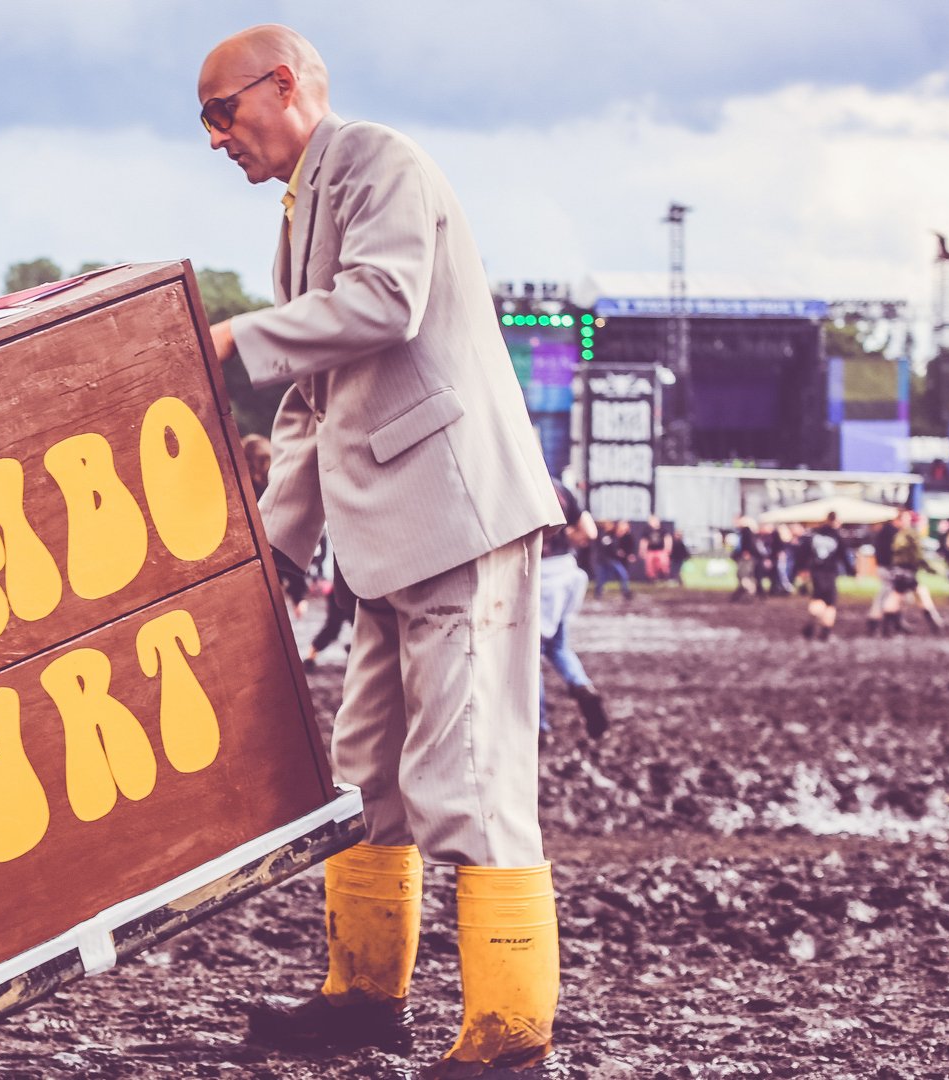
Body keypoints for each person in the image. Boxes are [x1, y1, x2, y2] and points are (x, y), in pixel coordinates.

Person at [199, 26, 563, 1074]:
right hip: (391, 540)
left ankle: (510, 1033)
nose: (215, 138)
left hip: (454, 516)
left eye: (221, 112)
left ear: (283, 84)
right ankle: (364, 998)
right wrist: (276, 550)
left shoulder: (378, 161)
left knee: (469, 772)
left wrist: (233, 340)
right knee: (369, 775)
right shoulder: (304, 206)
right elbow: (314, 406)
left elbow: (386, 303)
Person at [538, 479, 609, 742]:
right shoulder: (558, 487)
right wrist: (567, 538)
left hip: (539, 577)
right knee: (558, 647)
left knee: (531, 656)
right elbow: (589, 531)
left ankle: (539, 727)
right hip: (565, 573)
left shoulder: (516, 485)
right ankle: (581, 685)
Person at [794, 512, 857, 640]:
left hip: (816, 572)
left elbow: (803, 553)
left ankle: (812, 620)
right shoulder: (837, 536)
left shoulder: (814, 534)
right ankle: (825, 631)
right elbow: (844, 556)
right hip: (830, 572)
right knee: (830, 603)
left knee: (817, 598)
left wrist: (801, 569)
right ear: (835, 521)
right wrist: (852, 572)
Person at [865, 509, 904, 635]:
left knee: (888, 595)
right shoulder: (892, 533)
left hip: (884, 567)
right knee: (887, 596)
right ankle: (877, 623)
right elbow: (890, 552)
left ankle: (893, 623)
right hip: (888, 568)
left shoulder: (884, 531)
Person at [591, 519, 633, 601]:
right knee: (601, 578)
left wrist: (618, 552)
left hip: (613, 560)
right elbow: (601, 547)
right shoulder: (601, 534)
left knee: (622, 574)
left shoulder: (614, 535)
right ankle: (598, 593)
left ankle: (626, 591)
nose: (609, 526)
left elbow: (619, 542)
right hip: (602, 560)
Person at [730, 516, 762, 602]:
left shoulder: (746, 531)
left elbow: (747, 544)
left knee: (743, 575)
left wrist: (746, 553)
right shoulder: (746, 532)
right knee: (744, 576)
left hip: (746, 558)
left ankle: (752, 590)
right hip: (746, 557)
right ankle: (741, 595)